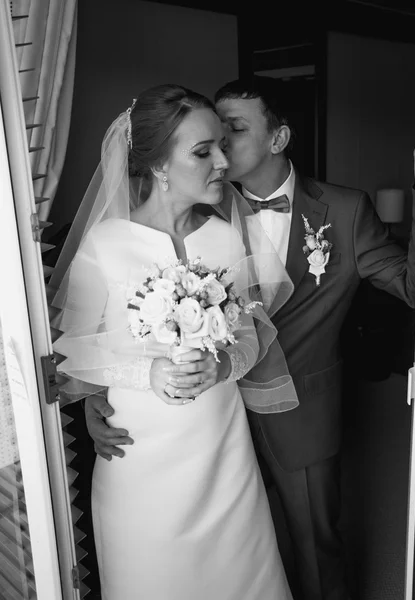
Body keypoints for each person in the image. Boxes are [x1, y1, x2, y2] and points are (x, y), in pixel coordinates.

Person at [83, 76, 415, 600]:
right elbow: (89, 336)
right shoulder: (196, 214)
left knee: (310, 550)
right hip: (193, 431)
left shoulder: (344, 211)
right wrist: (94, 397)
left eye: (233, 134)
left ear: (277, 139)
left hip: (295, 409)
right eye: (211, 141)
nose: (222, 153)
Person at [51, 84, 299, 600]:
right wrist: (143, 375)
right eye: (203, 151)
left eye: (222, 147)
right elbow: (71, 350)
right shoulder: (106, 245)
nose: (222, 163)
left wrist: (224, 366)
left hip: (223, 453)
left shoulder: (227, 238)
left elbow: (252, 338)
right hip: (141, 457)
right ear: (160, 164)